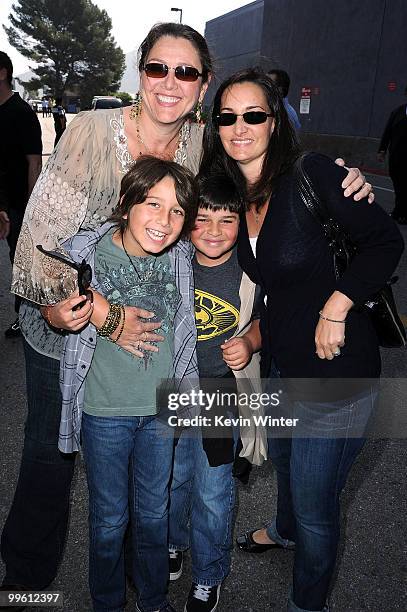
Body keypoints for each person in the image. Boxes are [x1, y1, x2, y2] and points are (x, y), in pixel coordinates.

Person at [2, 19, 370, 600]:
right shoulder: (93, 132)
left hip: (154, 343)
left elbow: (251, 192)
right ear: (140, 73)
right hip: (68, 321)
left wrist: (342, 182)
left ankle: (141, 575)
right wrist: (101, 313)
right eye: (157, 68)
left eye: (187, 72)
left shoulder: (204, 145)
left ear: (202, 86)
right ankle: (23, 581)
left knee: (149, 476)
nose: (170, 82)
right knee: (51, 453)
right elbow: (39, 245)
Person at [199, 68, 404, 612]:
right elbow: (276, 286)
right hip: (284, 366)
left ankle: (305, 602)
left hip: (335, 375)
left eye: (253, 115)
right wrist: (254, 336)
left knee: (318, 506)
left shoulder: (313, 174)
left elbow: (384, 242)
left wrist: (337, 307)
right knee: (286, 465)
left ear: (276, 122)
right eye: (227, 116)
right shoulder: (239, 194)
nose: (239, 126)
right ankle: (284, 530)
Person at [57, 155, 198, 612]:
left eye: (177, 210)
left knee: (154, 516)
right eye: (153, 204)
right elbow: (40, 282)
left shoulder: (180, 259)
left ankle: (154, 602)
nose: (165, 220)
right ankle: (108, 603)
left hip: (159, 414)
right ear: (125, 203)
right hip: (104, 413)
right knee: (109, 521)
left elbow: (187, 338)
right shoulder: (85, 253)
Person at [168, 173, 264, 612]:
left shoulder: (251, 270)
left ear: (241, 224)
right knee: (171, 478)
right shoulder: (171, 260)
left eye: (226, 221)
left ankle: (208, 575)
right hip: (172, 389)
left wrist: (250, 342)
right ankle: (173, 542)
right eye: (201, 219)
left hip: (221, 394)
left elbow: (273, 318)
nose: (212, 231)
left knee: (212, 489)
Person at [0, 51, 42, 338]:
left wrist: (29, 206)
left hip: (17, 203)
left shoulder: (21, 112)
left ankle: (24, 317)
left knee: (20, 263)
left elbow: (35, 162)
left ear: (2, 73)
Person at [377, 85, 407, 224]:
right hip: (396, 156)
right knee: (398, 184)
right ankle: (399, 211)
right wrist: (382, 150)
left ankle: (401, 212)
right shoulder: (397, 112)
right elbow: (387, 132)